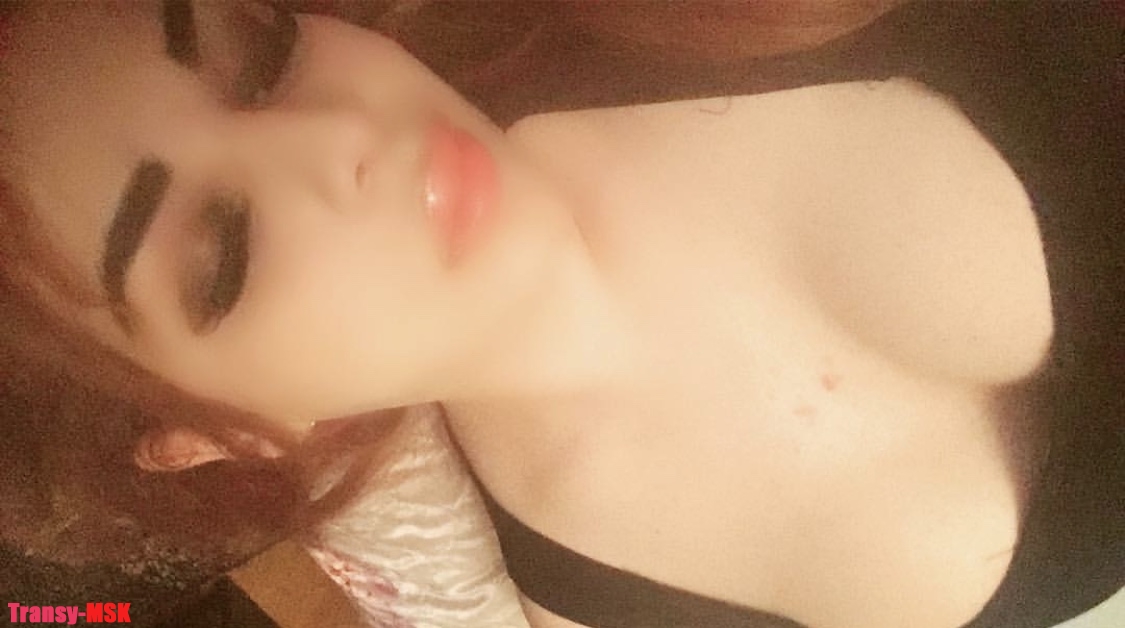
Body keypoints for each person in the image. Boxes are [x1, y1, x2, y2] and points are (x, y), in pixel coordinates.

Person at [1, 2, 1121, 628]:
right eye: (223, 253)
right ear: (222, 433)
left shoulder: (691, 19)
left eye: (261, 56)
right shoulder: (575, 599)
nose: (339, 134)